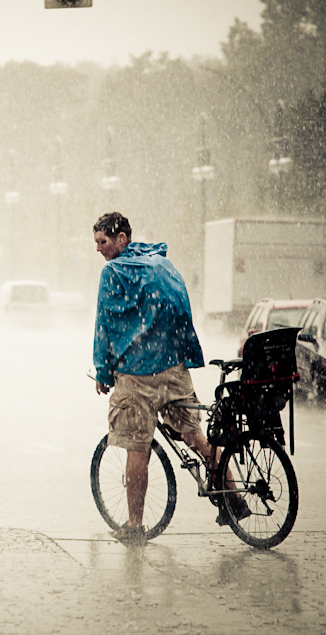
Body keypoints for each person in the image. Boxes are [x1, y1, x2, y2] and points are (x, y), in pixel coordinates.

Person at [91, 212, 248, 543]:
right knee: (196, 438)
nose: (98, 250)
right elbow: (182, 311)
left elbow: (103, 326)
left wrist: (104, 372)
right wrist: (181, 353)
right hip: (173, 370)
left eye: (102, 242)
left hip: (135, 376)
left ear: (121, 239)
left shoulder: (112, 273)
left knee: (137, 446)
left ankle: (135, 524)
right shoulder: (163, 265)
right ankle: (235, 498)